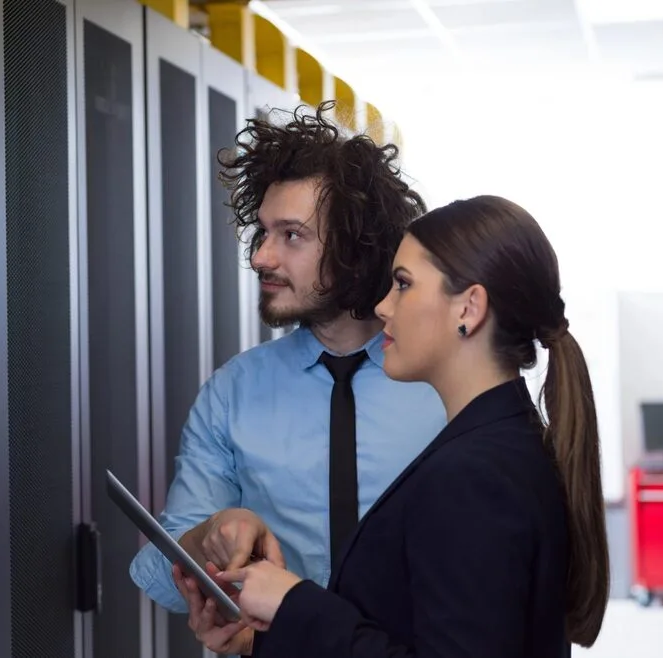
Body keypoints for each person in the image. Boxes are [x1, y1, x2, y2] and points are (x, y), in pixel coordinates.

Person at [210, 195, 611, 657]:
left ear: (468, 309)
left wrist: (293, 603)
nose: (382, 307)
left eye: (403, 284)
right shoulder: (500, 444)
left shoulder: (473, 475)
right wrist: (265, 637)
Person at [128, 101, 448, 655]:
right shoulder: (234, 391)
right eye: (263, 232)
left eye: (292, 235)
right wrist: (209, 535)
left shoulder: (444, 388)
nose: (261, 257)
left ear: (355, 247)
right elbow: (161, 576)